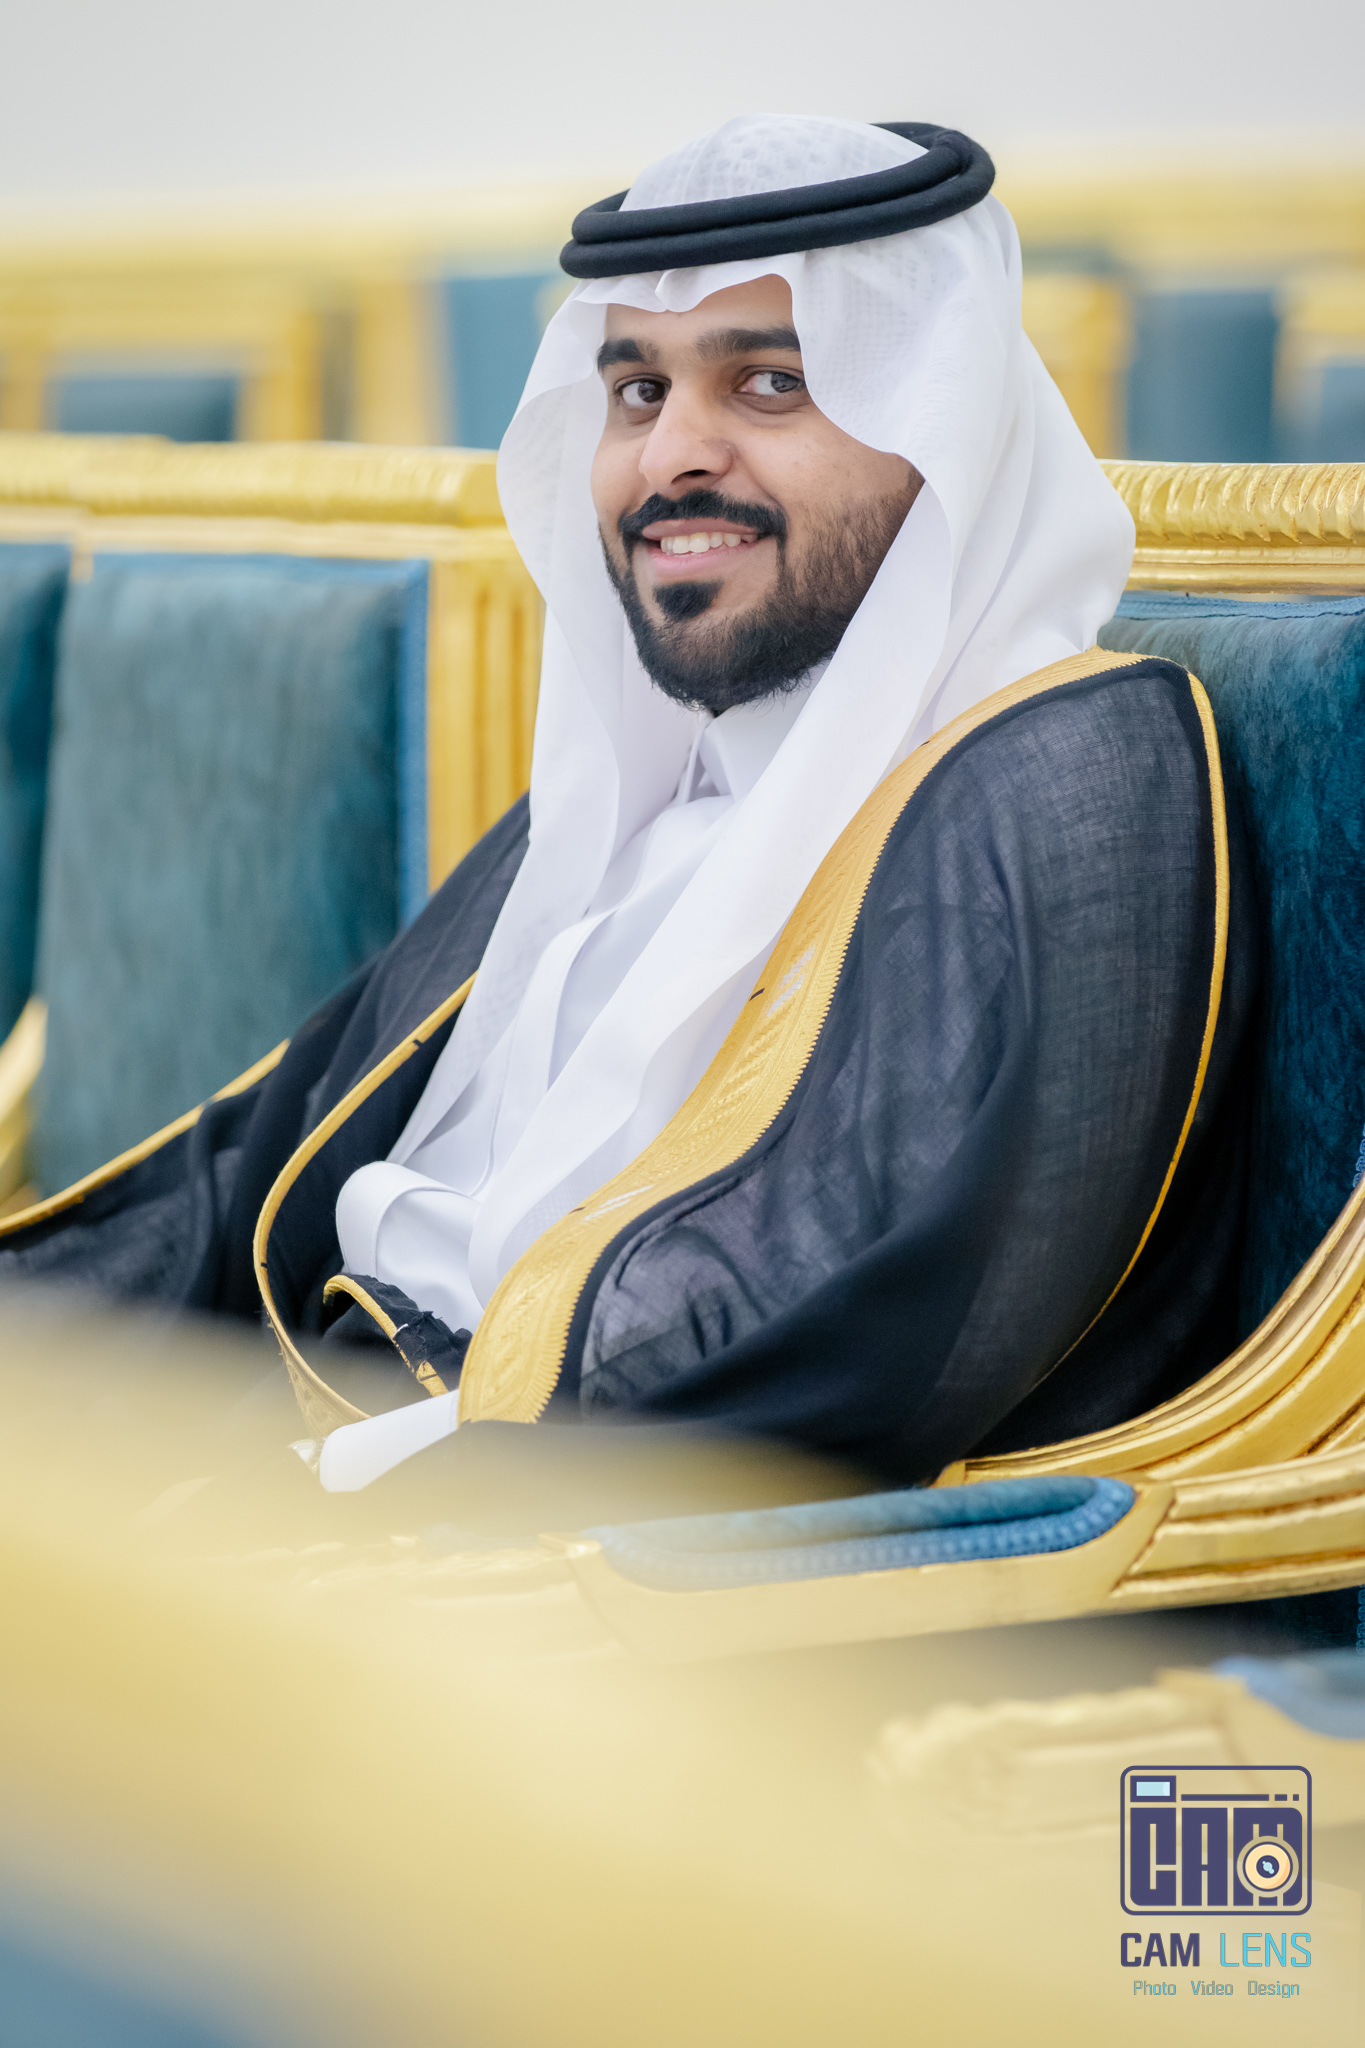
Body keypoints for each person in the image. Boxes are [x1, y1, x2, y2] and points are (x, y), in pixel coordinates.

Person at [0, 116, 1254, 1494]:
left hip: (531, 1561)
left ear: (939, 424)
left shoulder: (1058, 783)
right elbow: (250, 1172)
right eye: (638, 391)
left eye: (770, 383)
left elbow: (831, 1367)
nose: (670, 458)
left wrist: (284, 1513)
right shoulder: (637, 791)